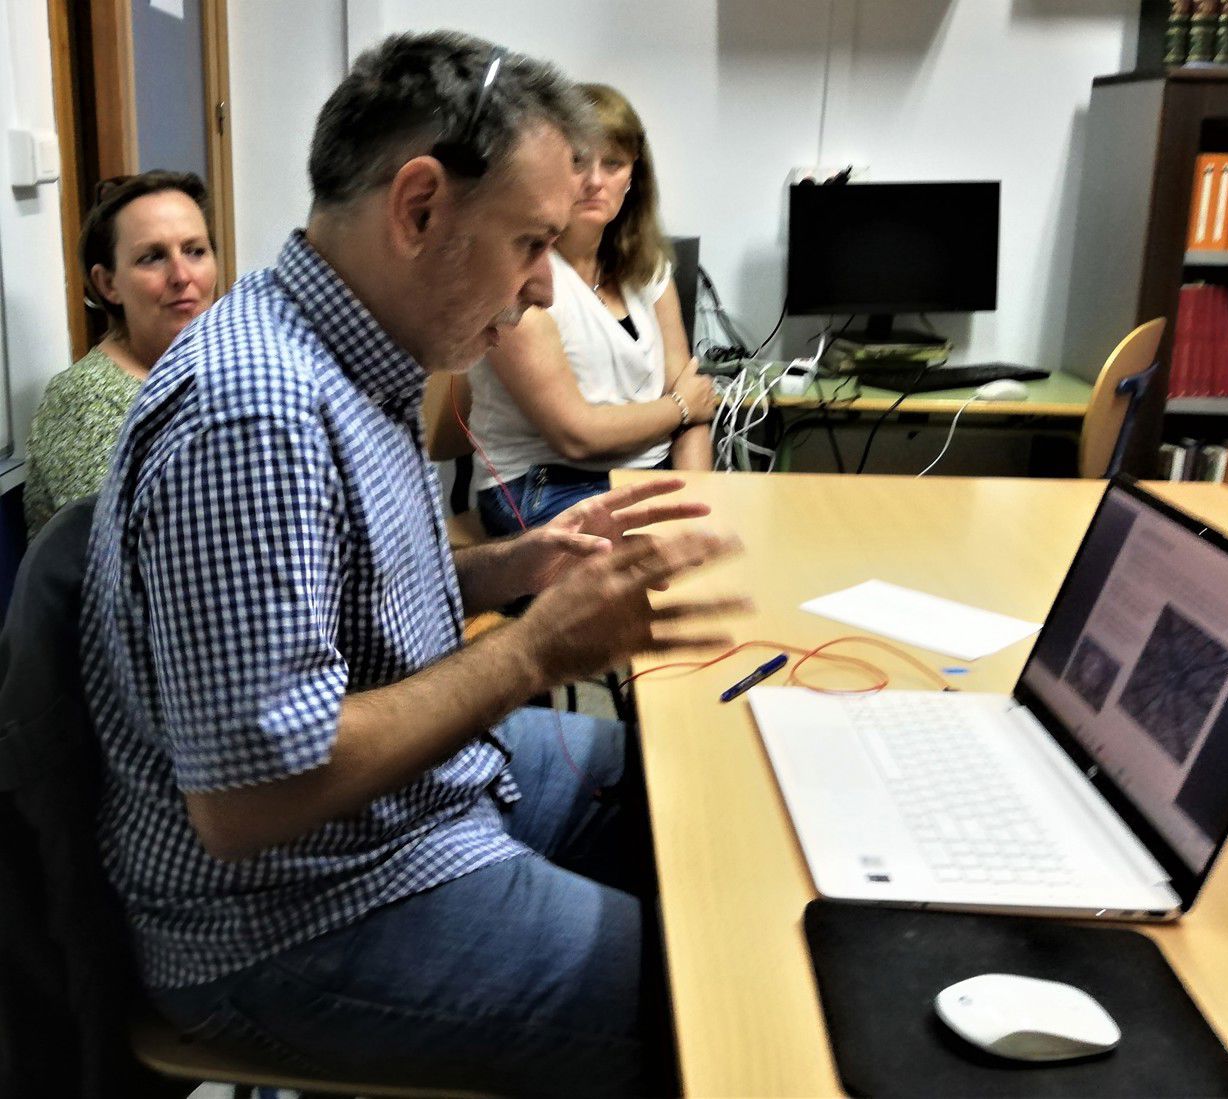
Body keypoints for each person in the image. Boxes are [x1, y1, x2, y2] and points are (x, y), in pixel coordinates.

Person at [80, 31, 743, 1098]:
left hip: (406, 805)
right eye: (529, 242)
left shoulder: (349, 348)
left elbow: (340, 585)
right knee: (723, 1005)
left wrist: (519, 564)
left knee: (700, 792)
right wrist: (535, 649)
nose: (539, 288)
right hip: (290, 917)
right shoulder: (255, 410)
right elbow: (249, 800)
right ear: (420, 207)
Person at [467, 83, 717, 536]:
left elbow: (693, 408)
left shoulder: (649, 267)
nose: (594, 181)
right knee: (660, 568)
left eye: (613, 163)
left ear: (632, 179)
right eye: (578, 161)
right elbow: (577, 435)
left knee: (718, 541)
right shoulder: (521, 274)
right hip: (542, 483)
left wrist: (698, 494)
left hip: (647, 472)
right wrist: (679, 408)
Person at [23, 171, 217, 538]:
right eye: (152, 257)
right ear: (108, 284)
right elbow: (125, 554)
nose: (181, 275)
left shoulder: (215, 368)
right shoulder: (83, 401)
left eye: (195, 251)